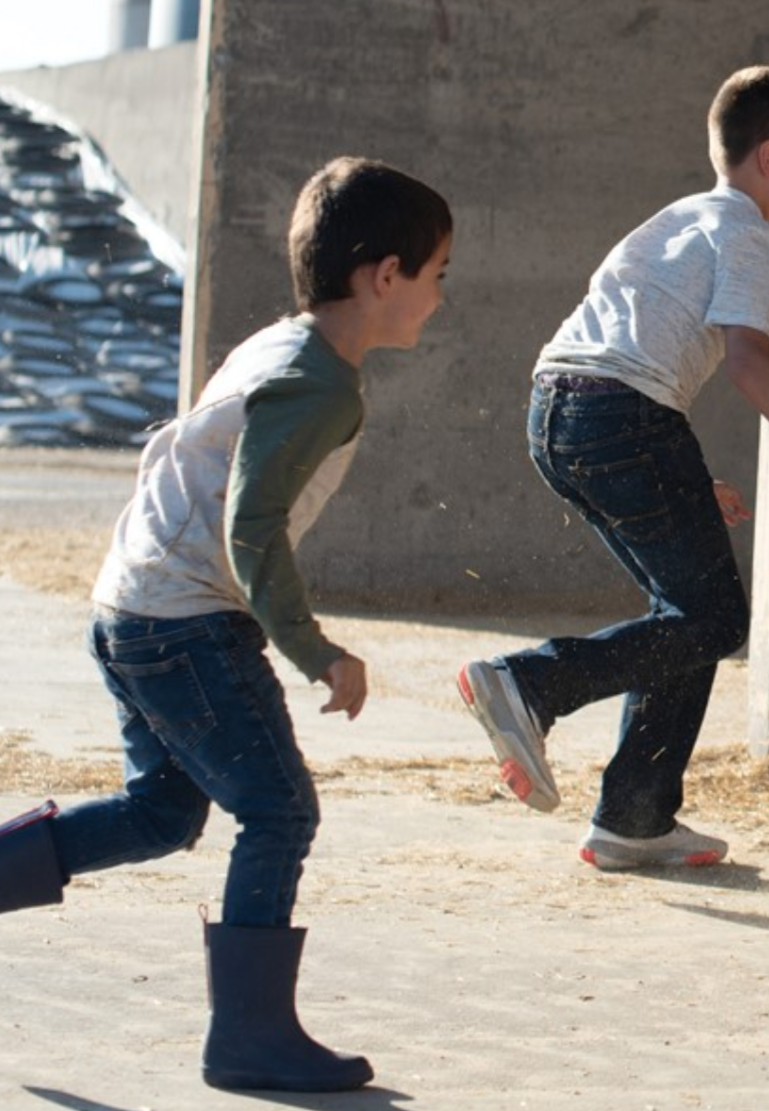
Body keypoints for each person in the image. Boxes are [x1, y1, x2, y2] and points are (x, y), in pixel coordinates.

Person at [0, 157, 452, 1088]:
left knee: (163, 812)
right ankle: (249, 1037)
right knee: (279, 808)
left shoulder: (278, 346)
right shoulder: (320, 385)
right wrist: (316, 651)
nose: (441, 297)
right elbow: (251, 531)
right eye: (437, 274)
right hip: (186, 620)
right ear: (383, 275)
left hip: (129, 603)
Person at [458, 64, 769, 871]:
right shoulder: (751, 237)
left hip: (560, 411)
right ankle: (531, 685)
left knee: (686, 612)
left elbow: (631, 340)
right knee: (712, 622)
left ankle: (634, 818)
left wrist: (676, 477)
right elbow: (747, 363)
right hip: (624, 417)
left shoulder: (678, 217)